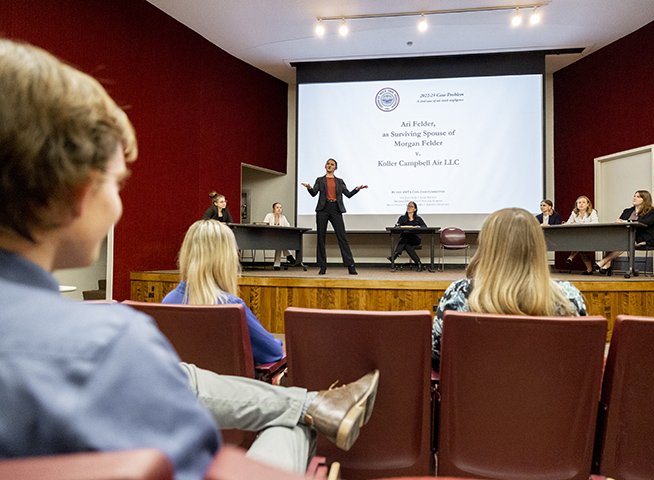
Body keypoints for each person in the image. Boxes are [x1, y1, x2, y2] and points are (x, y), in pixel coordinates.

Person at [0, 38, 380, 478]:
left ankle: (312, 402)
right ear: (78, 193)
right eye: (115, 183)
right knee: (292, 427)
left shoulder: (111, 335)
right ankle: (308, 409)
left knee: (183, 373)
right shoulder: (107, 342)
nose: (118, 203)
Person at [431, 208, 587, 371]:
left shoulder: (459, 295)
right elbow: (582, 360)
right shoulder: (569, 298)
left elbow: (437, 356)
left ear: (486, 246)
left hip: (476, 394)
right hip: (549, 394)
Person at [162, 219, 284, 364]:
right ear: (226, 258)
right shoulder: (231, 307)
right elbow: (273, 352)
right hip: (226, 385)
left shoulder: (168, 301)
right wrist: (276, 342)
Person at [301, 158, 367, 275]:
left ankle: (350, 265)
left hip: (336, 209)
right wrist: (309, 188)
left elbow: (348, 194)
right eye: (328, 164)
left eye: (332, 164)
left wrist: (357, 189)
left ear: (335, 168)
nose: (330, 166)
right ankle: (322, 266)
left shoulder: (339, 181)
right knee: (321, 238)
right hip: (323, 210)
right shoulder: (320, 180)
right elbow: (314, 194)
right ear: (325, 166)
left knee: (342, 237)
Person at [594, 190, 654, 276]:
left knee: (625, 243)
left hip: (646, 238)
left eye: (638, 197)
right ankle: (607, 264)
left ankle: (603, 262)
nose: (634, 198)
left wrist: (626, 221)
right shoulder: (627, 211)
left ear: (645, 199)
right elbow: (621, 222)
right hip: (627, 237)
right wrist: (619, 221)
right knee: (613, 240)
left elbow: (646, 222)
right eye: (634, 196)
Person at [387, 201, 427, 271]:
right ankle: (419, 264)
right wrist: (402, 226)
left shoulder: (418, 219)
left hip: (415, 239)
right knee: (407, 244)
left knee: (405, 239)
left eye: (411, 206)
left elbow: (425, 227)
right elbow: (397, 226)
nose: (409, 207)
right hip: (405, 239)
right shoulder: (402, 218)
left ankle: (395, 255)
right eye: (408, 206)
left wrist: (418, 227)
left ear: (415, 209)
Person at [565, 195, 599, 275]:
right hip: (580, 237)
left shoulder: (592, 212)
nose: (581, 204)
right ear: (576, 205)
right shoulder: (574, 213)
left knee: (580, 244)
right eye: (579, 202)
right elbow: (568, 223)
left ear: (588, 204)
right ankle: (589, 270)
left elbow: (595, 223)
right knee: (581, 247)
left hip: (591, 236)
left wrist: (577, 224)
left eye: (583, 202)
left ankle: (571, 257)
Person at [263, 202, 297, 270]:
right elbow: (264, 226)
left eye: (280, 208)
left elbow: (288, 227)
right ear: (273, 209)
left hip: (279, 238)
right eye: (277, 207)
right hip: (269, 238)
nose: (279, 209)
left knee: (280, 243)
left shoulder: (283, 217)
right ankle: (289, 256)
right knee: (280, 242)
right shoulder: (269, 216)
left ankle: (277, 264)